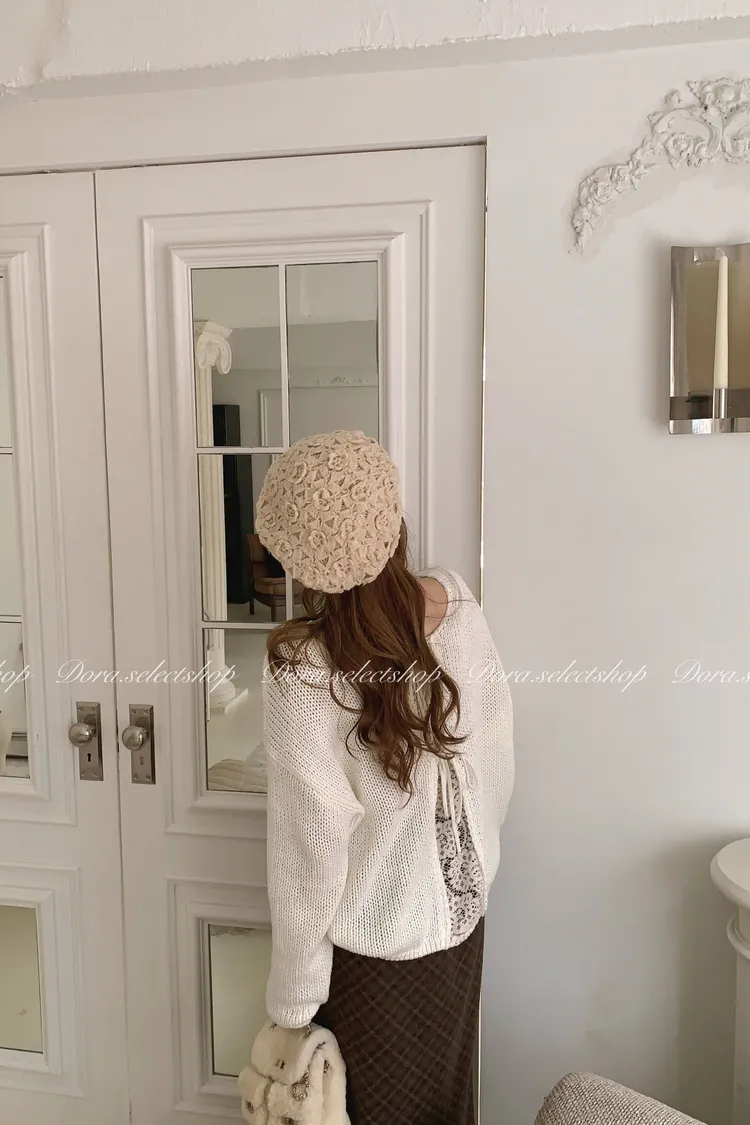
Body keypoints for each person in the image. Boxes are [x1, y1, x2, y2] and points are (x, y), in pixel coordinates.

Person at [253, 429, 514, 1125]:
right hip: (462, 913)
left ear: (301, 560)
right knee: (448, 1102)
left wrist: (293, 1001)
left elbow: (308, 852)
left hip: (374, 947)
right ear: (392, 524)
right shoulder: (458, 607)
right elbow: (496, 760)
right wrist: (473, 862)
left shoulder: (302, 668)